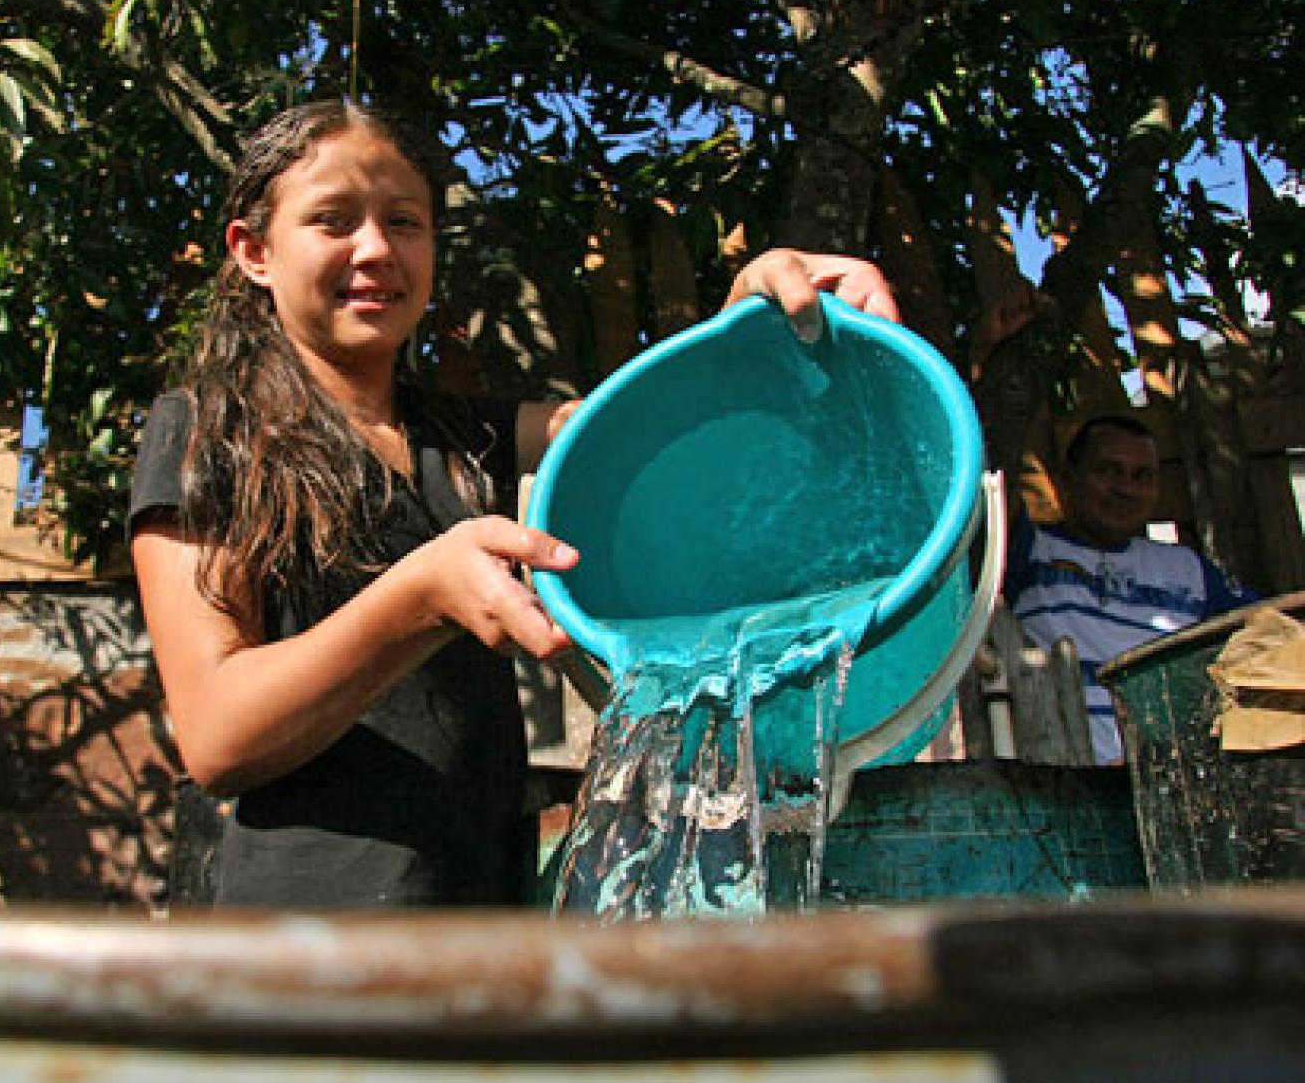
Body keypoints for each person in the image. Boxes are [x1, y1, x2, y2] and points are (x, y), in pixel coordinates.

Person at [128, 98, 902, 908]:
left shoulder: (467, 437)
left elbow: (644, 425)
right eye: (332, 220)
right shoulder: (205, 432)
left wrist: (750, 320)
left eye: (405, 221)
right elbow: (214, 734)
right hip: (311, 948)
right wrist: (421, 595)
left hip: (484, 925)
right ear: (254, 252)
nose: (376, 249)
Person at [1003, 412, 1258, 765]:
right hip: (1066, 781)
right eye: (1108, 471)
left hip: (1174, 782)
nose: (1125, 489)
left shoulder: (1189, 570)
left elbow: (1266, 632)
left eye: (1142, 477)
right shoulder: (1026, 552)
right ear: (1067, 479)